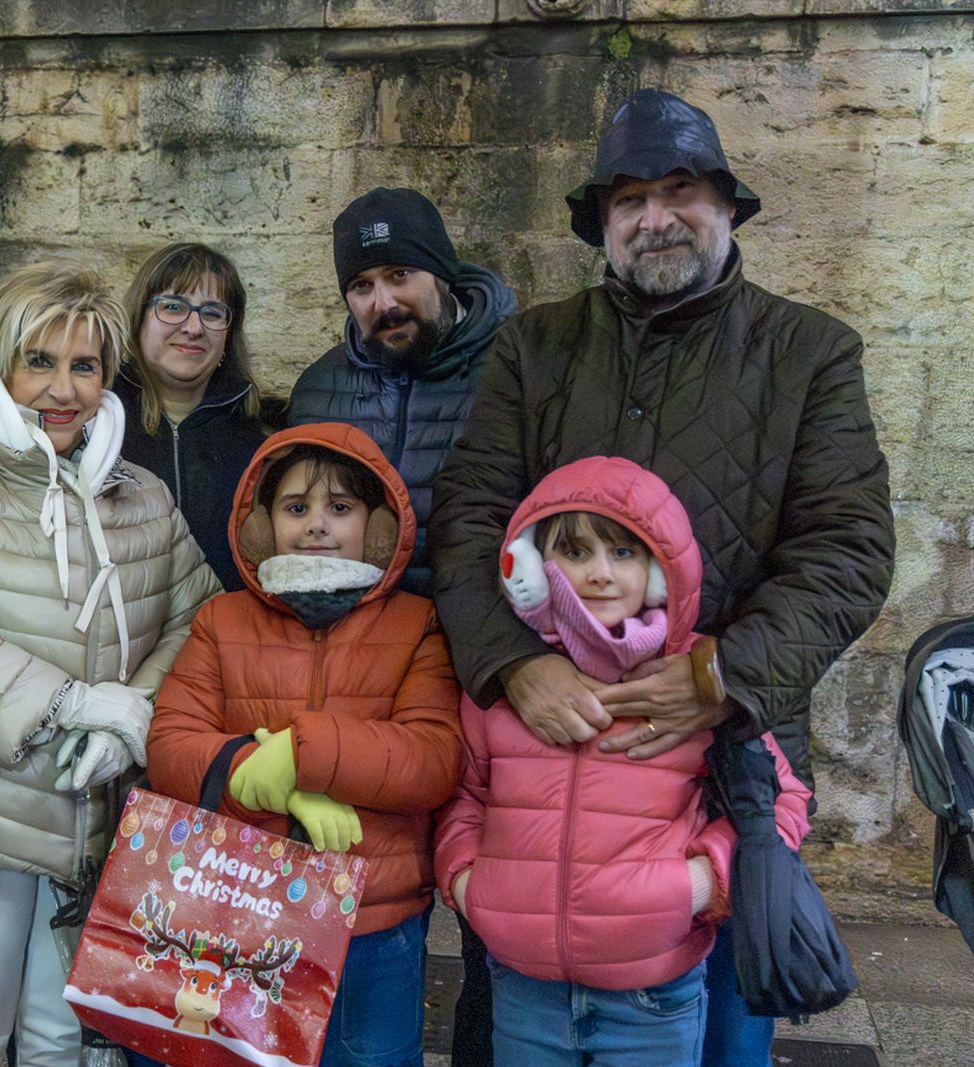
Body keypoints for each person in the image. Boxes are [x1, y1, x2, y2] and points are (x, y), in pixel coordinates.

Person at [429, 89, 895, 1065]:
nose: (655, 217)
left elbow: (846, 547)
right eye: (629, 199)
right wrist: (513, 663)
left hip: (725, 761)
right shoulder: (535, 347)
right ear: (603, 222)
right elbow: (469, 518)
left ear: (726, 204)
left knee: (718, 1033)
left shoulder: (809, 353)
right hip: (543, 769)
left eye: (679, 190)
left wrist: (720, 673)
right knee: (520, 1015)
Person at [0, 262, 222, 1067]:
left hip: (92, 820)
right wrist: (72, 704)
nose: (63, 389)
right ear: (1, 364)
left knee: (65, 1039)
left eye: (85, 365)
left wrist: (131, 713)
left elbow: (200, 620)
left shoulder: (142, 495)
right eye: (39, 361)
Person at [434, 456, 811, 1065]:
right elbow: (465, 798)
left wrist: (699, 883)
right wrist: (471, 885)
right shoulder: (506, 690)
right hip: (524, 990)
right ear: (530, 567)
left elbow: (782, 801)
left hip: (652, 997)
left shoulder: (696, 687)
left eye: (624, 553)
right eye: (575, 552)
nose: (600, 573)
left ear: (662, 575)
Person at [144, 422, 465, 1067]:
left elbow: (432, 758)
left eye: (340, 507)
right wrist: (261, 779)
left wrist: (301, 753)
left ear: (378, 527)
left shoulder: (417, 623)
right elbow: (171, 744)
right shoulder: (221, 620)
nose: (317, 524)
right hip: (235, 913)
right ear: (263, 526)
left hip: (371, 926)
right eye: (296, 508)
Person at [288, 186, 515, 598]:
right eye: (362, 286)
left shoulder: (516, 369)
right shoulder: (317, 391)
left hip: (480, 617)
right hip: (354, 622)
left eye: (400, 275)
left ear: (442, 274)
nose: (384, 303)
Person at [115, 242, 272, 592]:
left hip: (227, 623)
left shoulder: (261, 441)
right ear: (139, 318)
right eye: (173, 307)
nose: (193, 327)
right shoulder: (96, 423)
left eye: (212, 313)